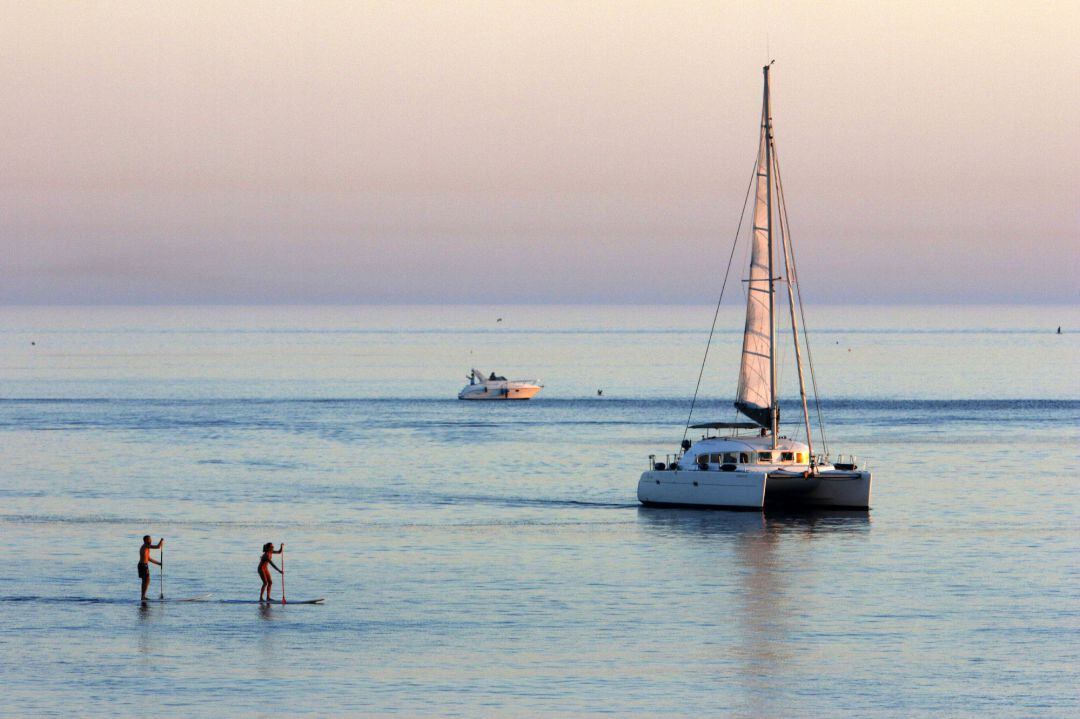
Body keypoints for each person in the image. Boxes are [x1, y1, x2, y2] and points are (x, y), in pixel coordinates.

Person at [138, 535, 164, 601]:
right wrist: (161, 541)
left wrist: (158, 563)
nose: (151, 540)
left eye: (150, 539)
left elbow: (148, 558)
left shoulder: (147, 548)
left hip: (143, 565)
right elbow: (158, 547)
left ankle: (143, 596)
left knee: (146, 580)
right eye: (149, 539)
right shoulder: (145, 546)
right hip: (143, 565)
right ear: (145, 540)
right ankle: (143, 596)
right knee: (146, 580)